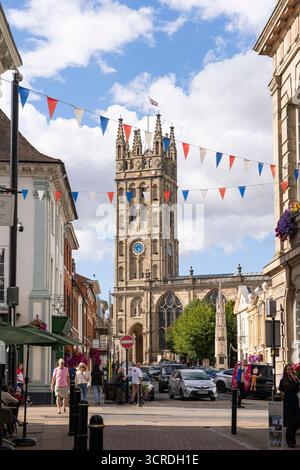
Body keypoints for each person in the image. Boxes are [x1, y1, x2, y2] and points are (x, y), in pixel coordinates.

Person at [279, 364, 300, 448]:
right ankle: (290, 441)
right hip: (287, 402)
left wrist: (297, 380)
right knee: (290, 423)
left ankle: (291, 437)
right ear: (285, 371)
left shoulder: (295, 379)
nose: (289, 371)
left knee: (298, 421)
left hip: (295, 401)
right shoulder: (283, 380)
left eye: (290, 369)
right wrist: (282, 399)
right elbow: (281, 391)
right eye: (288, 369)